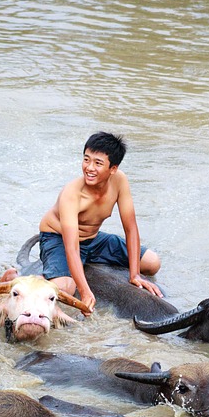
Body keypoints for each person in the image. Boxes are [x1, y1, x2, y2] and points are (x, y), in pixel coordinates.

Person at [38, 131, 162, 313]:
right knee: (65, 288)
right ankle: (31, 278)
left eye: (98, 163)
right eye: (86, 160)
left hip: (93, 239)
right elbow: (71, 248)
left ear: (113, 168)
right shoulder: (72, 193)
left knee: (152, 263)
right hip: (58, 237)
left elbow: (131, 228)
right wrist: (85, 291)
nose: (89, 167)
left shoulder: (120, 180)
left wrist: (135, 274)